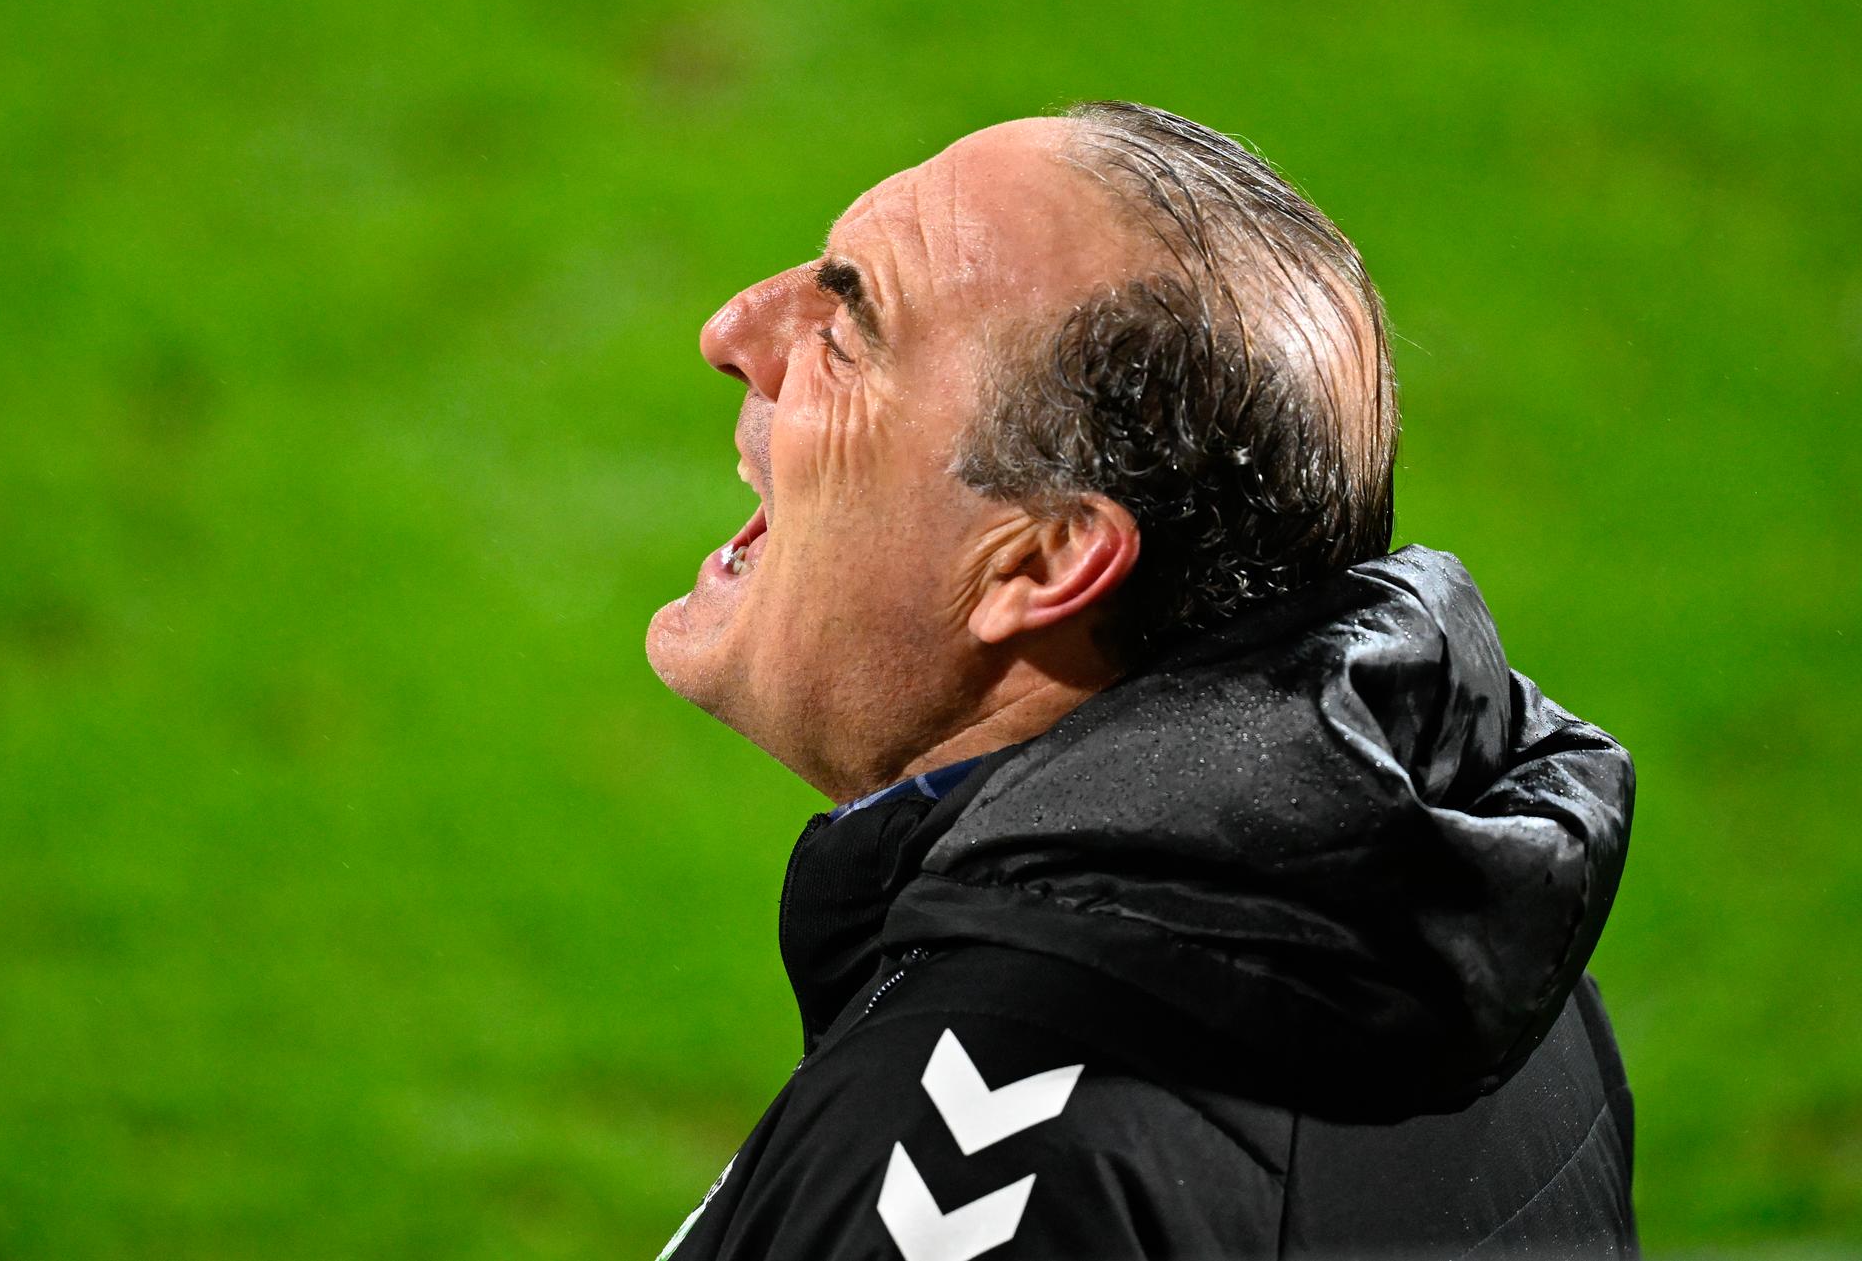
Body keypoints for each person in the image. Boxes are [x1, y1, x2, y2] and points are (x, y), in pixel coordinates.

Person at [645, 102, 1636, 1260]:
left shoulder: (973, 1172)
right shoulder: (1467, 923)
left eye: (850, 329)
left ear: (1040, 559)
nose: (734, 329)